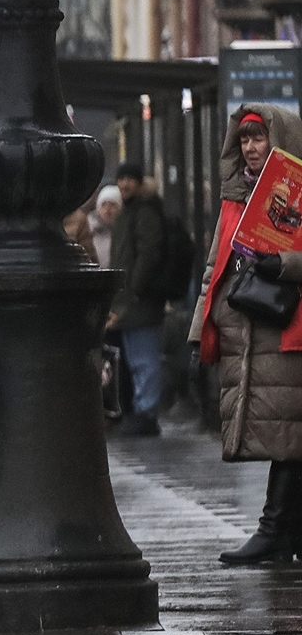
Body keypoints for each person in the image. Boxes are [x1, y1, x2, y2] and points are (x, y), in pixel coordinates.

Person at [193, 107, 302, 564]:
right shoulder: (234, 197)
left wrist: (286, 264)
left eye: (258, 139)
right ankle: (282, 535)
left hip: (288, 329)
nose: (251, 148)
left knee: (290, 432)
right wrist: (201, 326)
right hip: (249, 328)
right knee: (287, 432)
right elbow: (214, 267)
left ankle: (275, 532)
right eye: (244, 140)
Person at [108, 164, 169, 437]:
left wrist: (133, 288)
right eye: (121, 179)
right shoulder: (131, 211)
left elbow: (147, 254)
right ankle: (143, 411)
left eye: (129, 179)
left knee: (143, 359)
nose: (124, 185)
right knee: (136, 358)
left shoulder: (143, 211)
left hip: (140, 300)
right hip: (132, 301)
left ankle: (147, 413)